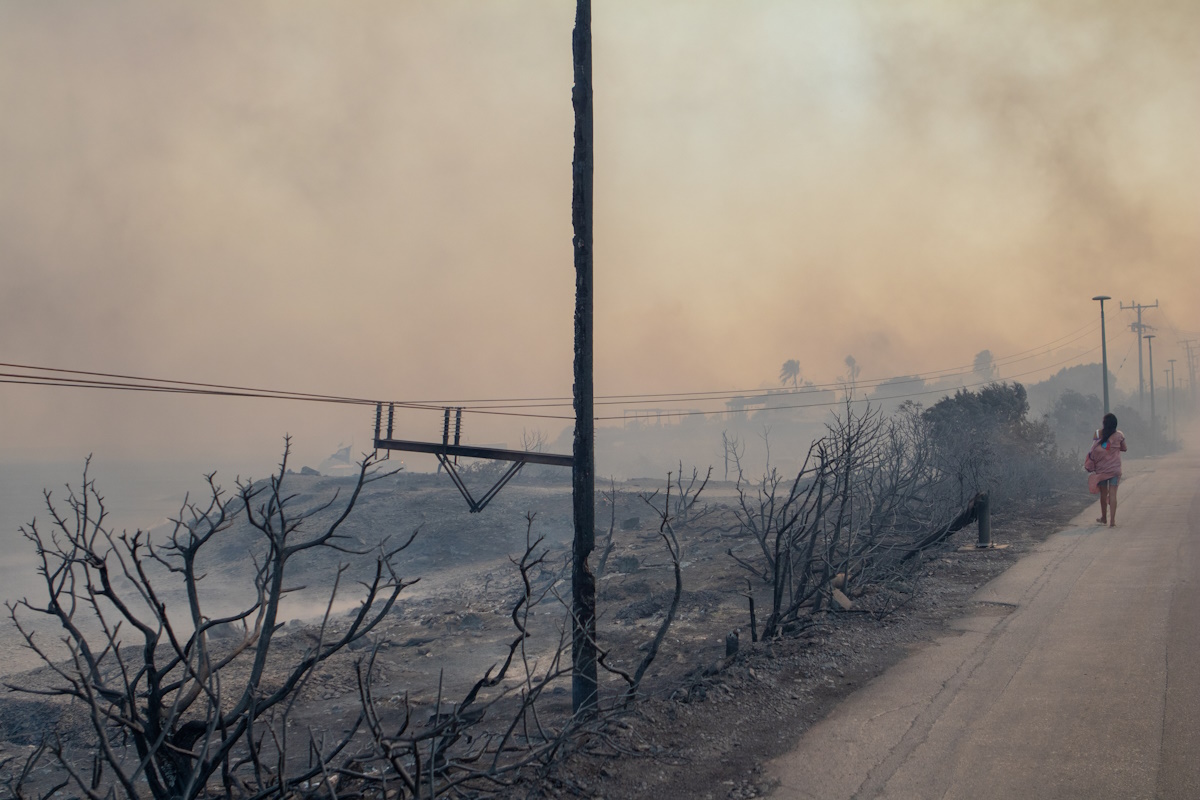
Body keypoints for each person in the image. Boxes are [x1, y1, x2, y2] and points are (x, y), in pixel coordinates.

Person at [1084, 412, 1127, 527]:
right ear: (1115, 424)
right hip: (1115, 469)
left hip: (1101, 469)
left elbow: (1093, 448)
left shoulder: (1098, 434)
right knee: (1113, 494)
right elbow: (1124, 448)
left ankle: (1104, 518)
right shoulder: (1119, 435)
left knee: (1103, 494)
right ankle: (1112, 521)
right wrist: (1114, 447)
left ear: (1104, 423)